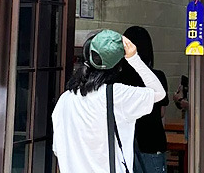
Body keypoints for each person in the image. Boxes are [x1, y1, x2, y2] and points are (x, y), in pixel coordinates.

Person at [52, 29, 165, 173]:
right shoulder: (117, 95)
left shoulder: (65, 99)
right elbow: (159, 93)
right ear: (119, 66)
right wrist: (134, 58)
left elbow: (58, 149)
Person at [119, 26, 170, 173]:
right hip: (152, 139)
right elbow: (161, 112)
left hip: (125, 143)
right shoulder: (158, 77)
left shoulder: (117, 79)